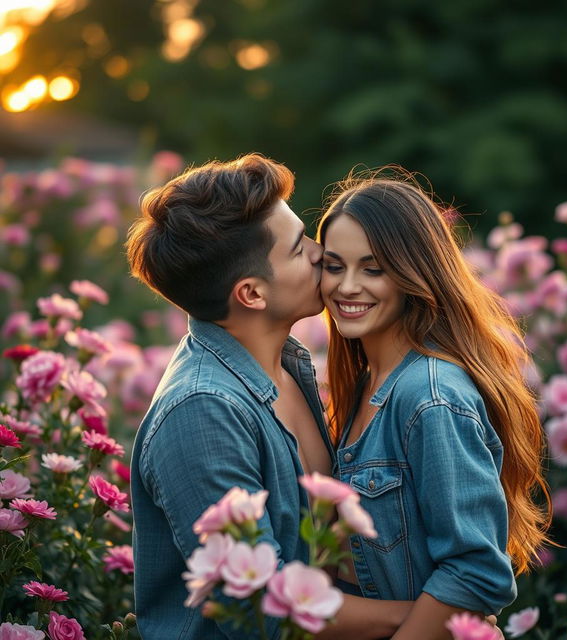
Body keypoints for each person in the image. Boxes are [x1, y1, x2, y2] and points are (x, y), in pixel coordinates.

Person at [125, 154, 413, 639]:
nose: (321, 252)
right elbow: (262, 609)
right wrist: (426, 617)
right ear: (252, 294)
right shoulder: (202, 413)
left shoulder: (287, 364)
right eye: (299, 248)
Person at [317, 170, 552, 639]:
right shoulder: (364, 383)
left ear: (412, 273)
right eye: (334, 265)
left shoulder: (430, 398)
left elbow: (476, 570)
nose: (346, 287)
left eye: (373, 268)